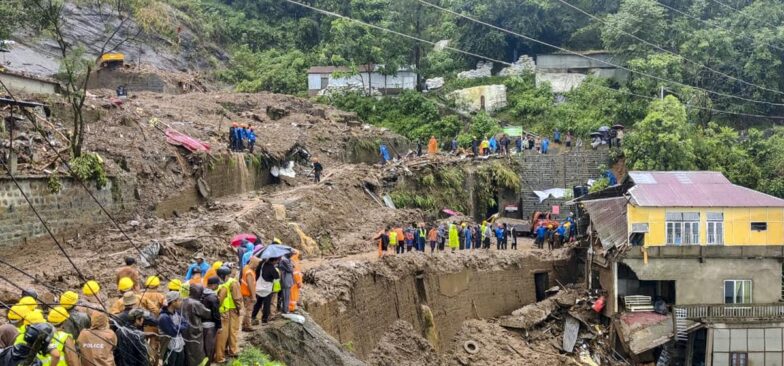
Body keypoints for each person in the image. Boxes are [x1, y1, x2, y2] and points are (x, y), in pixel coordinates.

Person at [180, 284, 211, 366]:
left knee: (186, 351)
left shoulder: (181, 301)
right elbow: (207, 314)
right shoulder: (196, 303)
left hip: (183, 331)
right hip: (195, 332)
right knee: (196, 353)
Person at [140, 276, 166, 365]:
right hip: (155, 324)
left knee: (143, 343)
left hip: (143, 323)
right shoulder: (161, 296)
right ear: (157, 285)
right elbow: (164, 309)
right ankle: (154, 362)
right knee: (154, 344)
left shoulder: (141, 295)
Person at [158, 291, 188, 366]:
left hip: (179, 345)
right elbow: (173, 332)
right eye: (179, 300)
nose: (181, 302)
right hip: (169, 347)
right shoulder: (164, 317)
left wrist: (176, 327)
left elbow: (186, 324)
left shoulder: (176, 313)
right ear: (173, 302)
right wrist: (178, 327)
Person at [253, 258, 280, 324]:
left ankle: (253, 316)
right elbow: (276, 277)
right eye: (276, 260)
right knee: (267, 304)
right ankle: (264, 319)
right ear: (273, 260)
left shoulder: (262, 264)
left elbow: (257, 272)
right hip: (267, 289)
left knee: (258, 303)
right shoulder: (272, 268)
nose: (277, 262)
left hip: (259, 287)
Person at [199, 279, 220, 363]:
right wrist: (219, 326)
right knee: (209, 346)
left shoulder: (200, 293)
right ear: (214, 285)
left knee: (202, 346)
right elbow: (216, 313)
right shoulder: (213, 297)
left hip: (200, 323)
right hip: (210, 325)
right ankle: (208, 363)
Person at [240, 256, 260, 331]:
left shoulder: (246, 268)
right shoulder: (249, 272)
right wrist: (253, 296)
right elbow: (250, 285)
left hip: (245, 293)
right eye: (257, 264)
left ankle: (244, 325)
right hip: (248, 294)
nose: (257, 266)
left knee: (247, 309)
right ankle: (247, 326)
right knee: (249, 310)